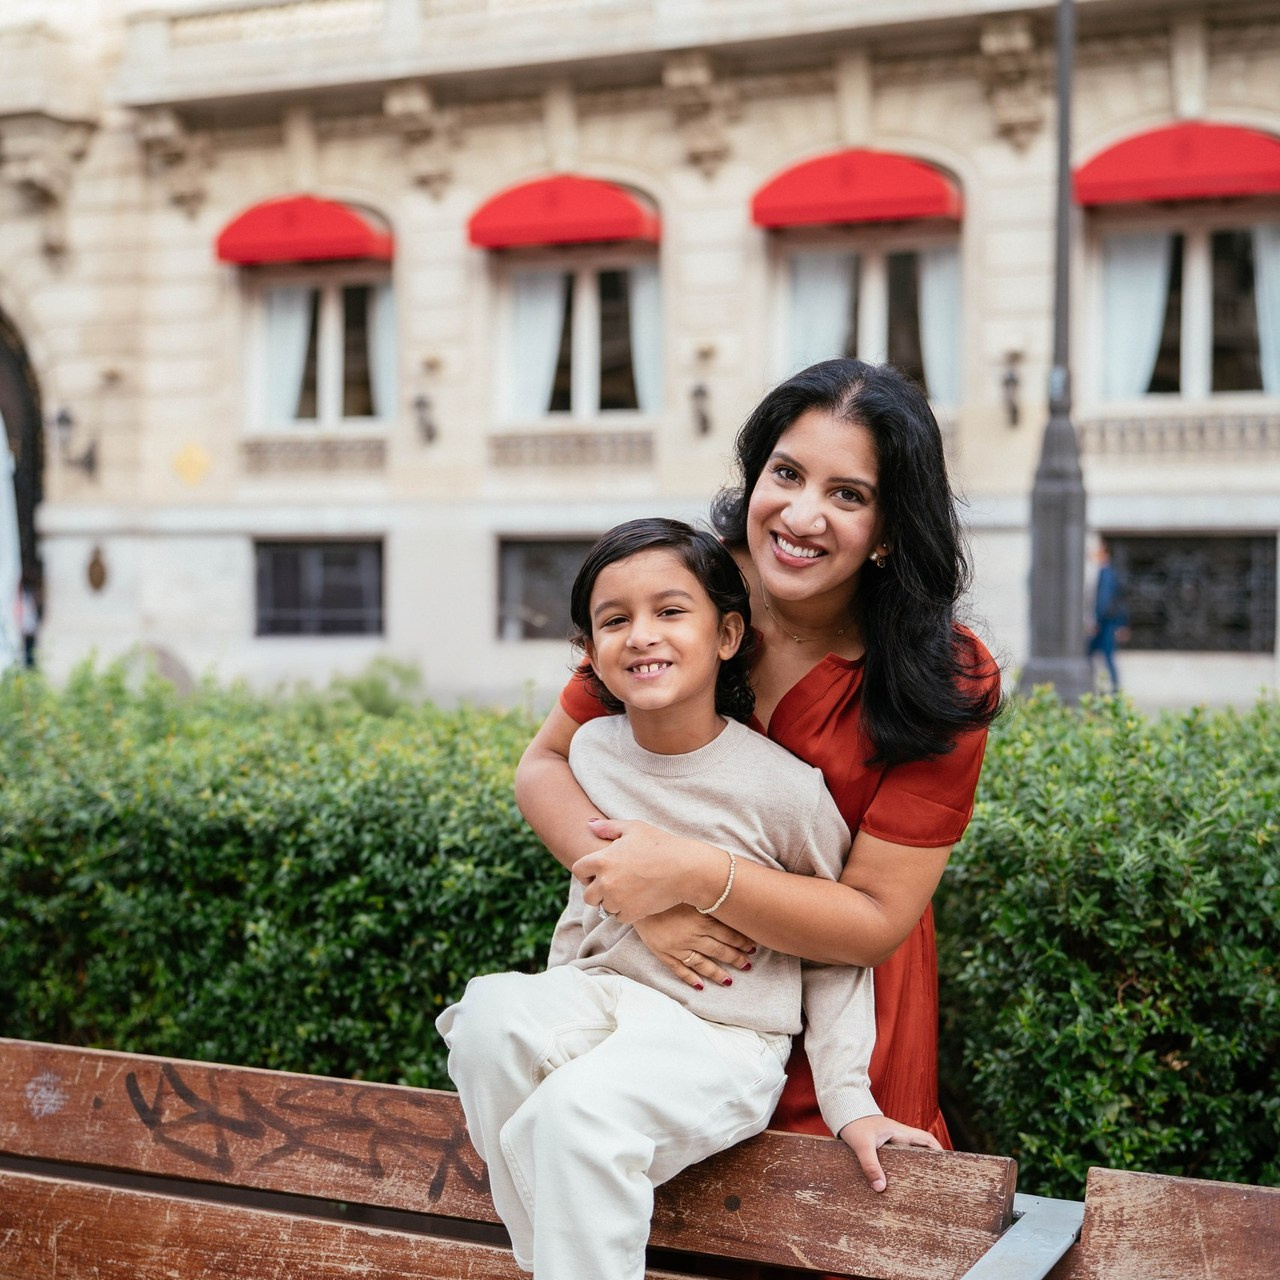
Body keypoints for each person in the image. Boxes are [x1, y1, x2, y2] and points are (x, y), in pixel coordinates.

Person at [516, 361, 1002, 1261]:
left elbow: (871, 924)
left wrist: (693, 878)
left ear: (890, 532)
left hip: (843, 1024)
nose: (802, 513)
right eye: (786, 474)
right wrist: (640, 895)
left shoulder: (944, 674)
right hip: (671, 1002)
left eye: (847, 493)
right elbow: (547, 765)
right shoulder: (680, 593)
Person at [437, 518, 940, 1280]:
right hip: (604, 997)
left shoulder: (784, 792)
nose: (642, 635)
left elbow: (838, 951)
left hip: (723, 1038)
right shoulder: (592, 751)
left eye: (670, 613)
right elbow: (591, 886)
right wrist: (624, 922)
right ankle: (555, 1263)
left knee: (576, 1118)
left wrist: (848, 1099)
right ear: (590, 656)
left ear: (728, 634)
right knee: (487, 1019)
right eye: (615, 621)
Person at [1087, 537, 1128, 693]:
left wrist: (1096, 620)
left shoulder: (1106, 573)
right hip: (1106, 622)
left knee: (1105, 656)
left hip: (1105, 623)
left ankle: (1114, 690)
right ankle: (1108, 688)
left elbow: (1105, 600)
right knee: (1094, 655)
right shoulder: (1107, 572)